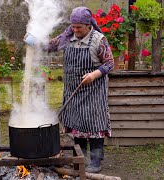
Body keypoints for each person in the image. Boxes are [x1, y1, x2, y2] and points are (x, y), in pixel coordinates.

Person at [46, 7, 114, 173]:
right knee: (77, 124)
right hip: (73, 90)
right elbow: (49, 47)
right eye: (73, 26)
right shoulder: (68, 37)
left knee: (94, 126)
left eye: (79, 27)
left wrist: (94, 75)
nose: (75, 30)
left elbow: (110, 63)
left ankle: (96, 162)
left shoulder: (99, 40)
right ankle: (80, 159)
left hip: (93, 91)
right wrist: (33, 41)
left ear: (88, 24)